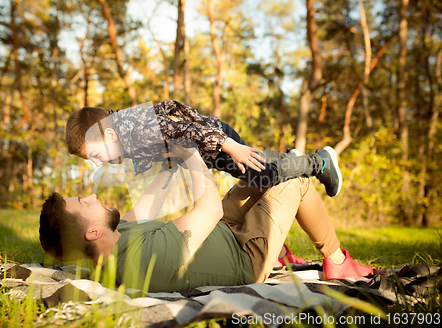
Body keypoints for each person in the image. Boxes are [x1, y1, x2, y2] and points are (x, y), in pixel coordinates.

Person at [39, 145, 373, 293]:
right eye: (85, 202)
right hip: (246, 257)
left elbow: (145, 211)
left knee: (263, 177)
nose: (94, 196)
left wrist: (169, 166)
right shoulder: (143, 260)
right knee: (296, 181)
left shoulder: (109, 247)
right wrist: (191, 155)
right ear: (92, 232)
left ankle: (293, 175)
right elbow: (210, 209)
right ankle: (337, 259)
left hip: (221, 232)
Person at [65, 100, 342, 197]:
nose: (98, 163)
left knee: (263, 177)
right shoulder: (123, 129)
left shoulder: (136, 130)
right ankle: (289, 159)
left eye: (96, 156)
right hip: (209, 149)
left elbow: (189, 131)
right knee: (259, 167)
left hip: (217, 142)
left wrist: (231, 146)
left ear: (110, 135)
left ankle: (319, 162)